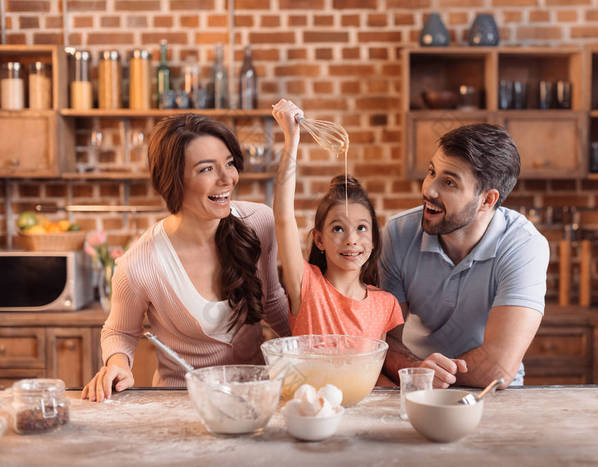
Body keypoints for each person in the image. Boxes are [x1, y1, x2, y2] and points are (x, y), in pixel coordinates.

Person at [82, 114, 290, 402]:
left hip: (253, 398)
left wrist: (312, 349)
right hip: (180, 403)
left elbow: (273, 301)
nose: (227, 178)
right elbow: (120, 331)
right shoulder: (139, 265)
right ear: (172, 180)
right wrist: (117, 366)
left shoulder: (260, 222)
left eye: (229, 163)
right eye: (206, 169)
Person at [379, 123, 549, 389]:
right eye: (431, 172)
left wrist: (429, 375)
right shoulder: (398, 233)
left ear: (487, 200)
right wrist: (417, 371)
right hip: (417, 387)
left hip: (490, 396)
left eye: (449, 182)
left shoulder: (524, 246)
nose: (429, 190)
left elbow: (498, 366)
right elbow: (381, 340)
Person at [271, 98, 403, 342]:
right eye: (338, 228)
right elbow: (283, 218)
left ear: (373, 239)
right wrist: (292, 139)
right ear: (319, 240)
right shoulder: (306, 286)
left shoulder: (386, 304)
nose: (352, 239)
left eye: (362, 228)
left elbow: (376, 368)